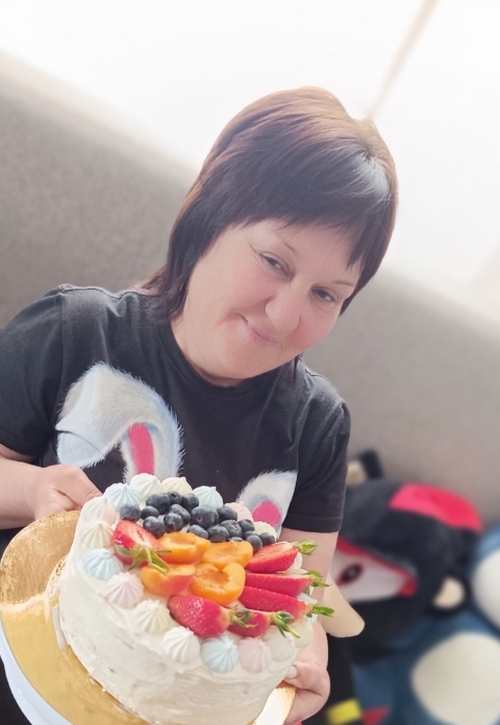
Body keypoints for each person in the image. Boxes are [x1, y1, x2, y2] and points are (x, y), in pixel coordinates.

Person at [0, 86, 397, 725]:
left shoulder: (317, 425)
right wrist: (32, 489)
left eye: (326, 294)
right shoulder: (74, 332)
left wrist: (303, 671)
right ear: (210, 216)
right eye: (274, 261)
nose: (287, 314)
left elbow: (301, 598)